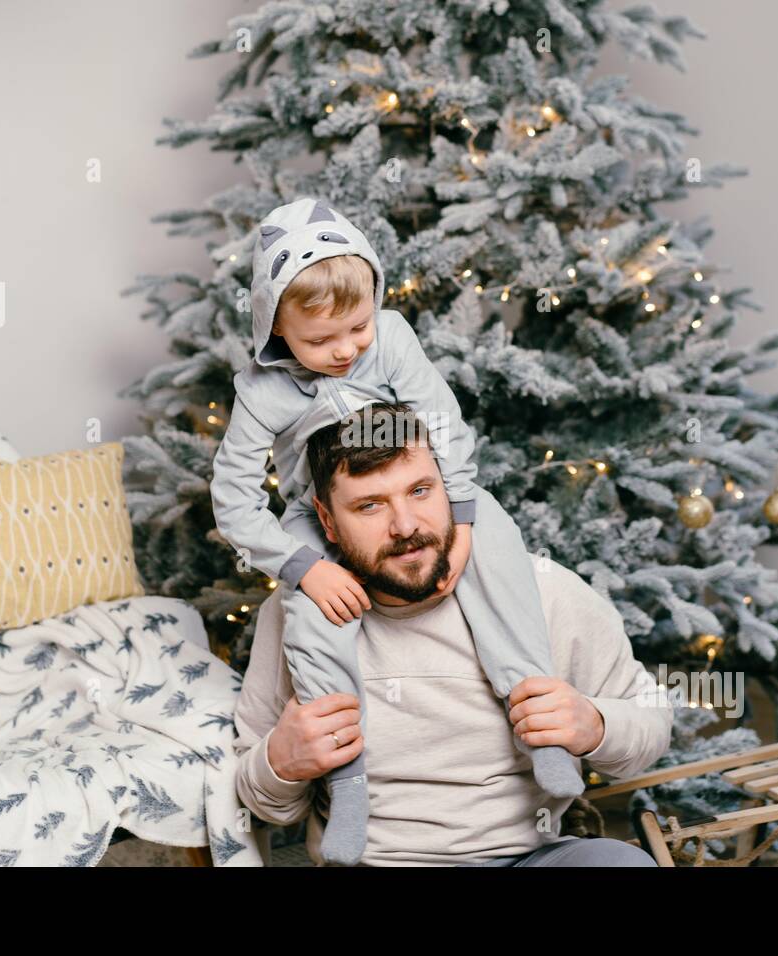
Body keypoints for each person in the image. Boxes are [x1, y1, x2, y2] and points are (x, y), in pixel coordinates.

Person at [211, 197, 584, 864]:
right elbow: (235, 504)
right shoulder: (261, 392)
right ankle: (349, 782)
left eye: (354, 330)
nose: (345, 351)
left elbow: (442, 424)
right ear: (275, 331)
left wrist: (463, 516)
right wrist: (304, 566)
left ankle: (538, 727)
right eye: (319, 342)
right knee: (312, 618)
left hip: (425, 484)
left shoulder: (390, 337)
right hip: (324, 519)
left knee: (498, 548)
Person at [231, 402, 673, 866]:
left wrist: (594, 726)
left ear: (451, 490)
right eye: (370, 506)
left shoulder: (543, 591)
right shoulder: (297, 617)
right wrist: (281, 763)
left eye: (420, 491)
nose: (405, 527)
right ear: (327, 521)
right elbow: (262, 801)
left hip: (529, 859)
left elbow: (651, 721)